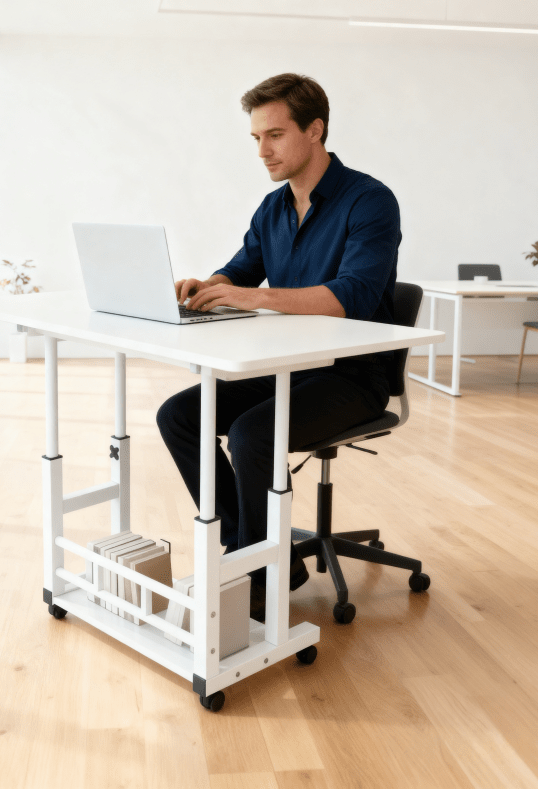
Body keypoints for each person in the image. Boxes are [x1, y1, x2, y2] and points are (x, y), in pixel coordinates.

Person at [156, 73, 400, 622]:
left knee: (251, 432)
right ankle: (255, 550)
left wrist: (244, 294)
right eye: (255, 138)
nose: (263, 151)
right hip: (287, 369)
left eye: (275, 135)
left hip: (350, 377)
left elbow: (352, 297)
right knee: (178, 415)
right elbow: (241, 268)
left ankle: (260, 566)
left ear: (315, 130)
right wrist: (208, 283)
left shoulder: (370, 201)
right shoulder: (272, 208)